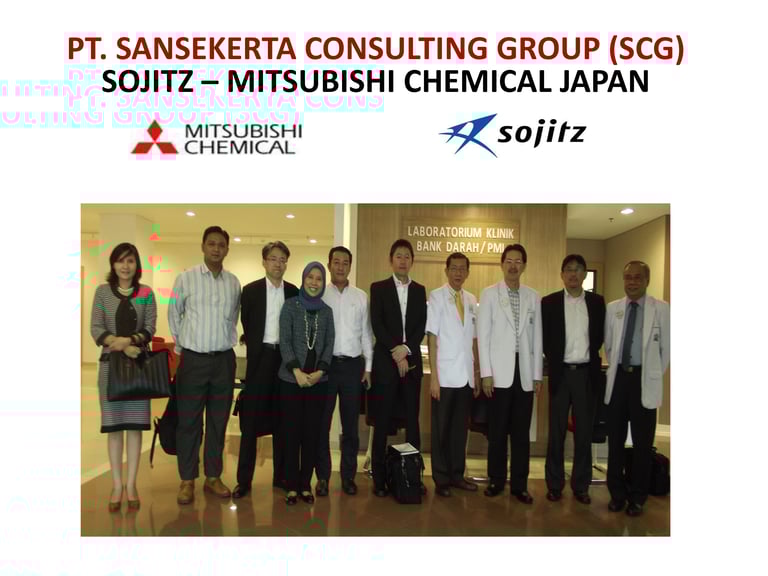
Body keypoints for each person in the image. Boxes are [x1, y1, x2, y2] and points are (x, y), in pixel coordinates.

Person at [169, 226, 241, 505]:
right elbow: (174, 315)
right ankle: (187, 480)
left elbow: (233, 318)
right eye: (211, 244)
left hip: (223, 360)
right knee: (189, 422)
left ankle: (213, 476)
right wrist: (183, 347)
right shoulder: (185, 278)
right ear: (202, 246)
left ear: (227, 250)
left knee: (218, 421)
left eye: (221, 245)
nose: (216, 249)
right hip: (193, 360)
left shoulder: (233, 283)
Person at [90, 242, 157, 512]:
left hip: (138, 368)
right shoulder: (102, 292)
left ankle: (131, 485)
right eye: (120, 261)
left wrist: (130, 342)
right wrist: (120, 345)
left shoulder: (146, 293)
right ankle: (117, 485)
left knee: (134, 428)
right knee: (115, 428)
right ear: (113, 264)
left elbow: (150, 328)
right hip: (110, 369)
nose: (125, 266)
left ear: (136, 264)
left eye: (130, 261)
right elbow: (96, 328)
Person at [477, 243, 543, 504]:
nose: (513, 266)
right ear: (502, 264)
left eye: (518, 262)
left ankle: (519, 485)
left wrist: (537, 374)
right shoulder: (489, 294)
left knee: (521, 434)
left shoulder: (533, 296)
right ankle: (496, 480)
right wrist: (486, 372)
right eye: (509, 261)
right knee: (497, 432)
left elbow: (537, 338)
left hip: (524, 373)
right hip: (498, 374)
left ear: (524, 266)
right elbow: (483, 336)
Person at [604, 261, 670, 517]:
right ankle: (617, 494)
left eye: (637, 277)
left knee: (643, 443)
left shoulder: (661, 309)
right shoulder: (614, 308)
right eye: (628, 277)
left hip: (644, 379)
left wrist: (651, 373)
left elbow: (666, 350)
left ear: (647, 280)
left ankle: (638, 497)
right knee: (615, 441)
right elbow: (609, 345)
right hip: (619, 379)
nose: (632, 282)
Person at [233, 241, 298, 499]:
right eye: (273, 259)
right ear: (264, 261)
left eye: (282, 259)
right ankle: (244, 480)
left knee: (283, 420)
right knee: (250, 421)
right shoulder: (250, 291)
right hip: (260, 361)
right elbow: (248, 323)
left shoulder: (293, 292)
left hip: (285, 360)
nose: (278, 264)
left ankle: (280, 476)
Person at [542, 254, 606, 504]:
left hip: (586, 375)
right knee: (556, 432)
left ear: (584, 274)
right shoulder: (549, 302)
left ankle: (581, 486)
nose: (573, 274)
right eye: (568, 269)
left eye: (578, 269)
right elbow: (545, 338)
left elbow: (600, 336)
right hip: (561, 374)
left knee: (584, 433)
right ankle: (554, 484)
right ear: (562, 274)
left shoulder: (597, 302)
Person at [369, 239, 428, 497]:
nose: (403, 260)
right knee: (382, 421)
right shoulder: (379, 288)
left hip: (411, 364)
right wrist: (396, 350)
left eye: (407, 256)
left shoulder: (419, 290)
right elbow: (377, 324)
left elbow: (421, 326)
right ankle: (380, 479)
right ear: (391, 260)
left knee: (412, 423)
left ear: (412, 261)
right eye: (398, 256)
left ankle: (413, 477)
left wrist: (406, 349)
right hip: (386, 364)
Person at [315, 246, 373, 497]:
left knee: (350, 426)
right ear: (329, 265)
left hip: (352, 367)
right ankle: (323, 477)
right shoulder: (320, 295)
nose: (340, 267)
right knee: (321, 424)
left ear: (350, 266)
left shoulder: (360, 297)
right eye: (336, 262)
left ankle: (348, 476)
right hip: (325, 367)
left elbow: (366, 334)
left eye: (345, 262)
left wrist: (368, 367)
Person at [277, 262, 335, 505]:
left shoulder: (327, 311)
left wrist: (321, 371)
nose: (314, 282)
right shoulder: (290, 306)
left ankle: (305, 485)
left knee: (312, 434)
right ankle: (291, 486)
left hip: (318, 382)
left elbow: (329, 343)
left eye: (319, 279)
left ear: (323, 283)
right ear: (303, 279)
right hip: (291, 381)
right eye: (310, 277)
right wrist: (296, 371)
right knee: (291, 434)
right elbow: (285, 340)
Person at [426, 252, 480, 497]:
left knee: (460, 430)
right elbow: (432, 337)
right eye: (454, 268)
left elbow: (474, 340)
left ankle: (457, 475)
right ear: (446, 271)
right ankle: (441, 479)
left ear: (467, 272)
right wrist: (434, 378)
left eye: (462, 269)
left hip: (466, 375)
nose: (458, 273)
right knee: (441, 430)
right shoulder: (436, 297)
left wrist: (476, 372)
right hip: (445, 375)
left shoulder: (471, 299)